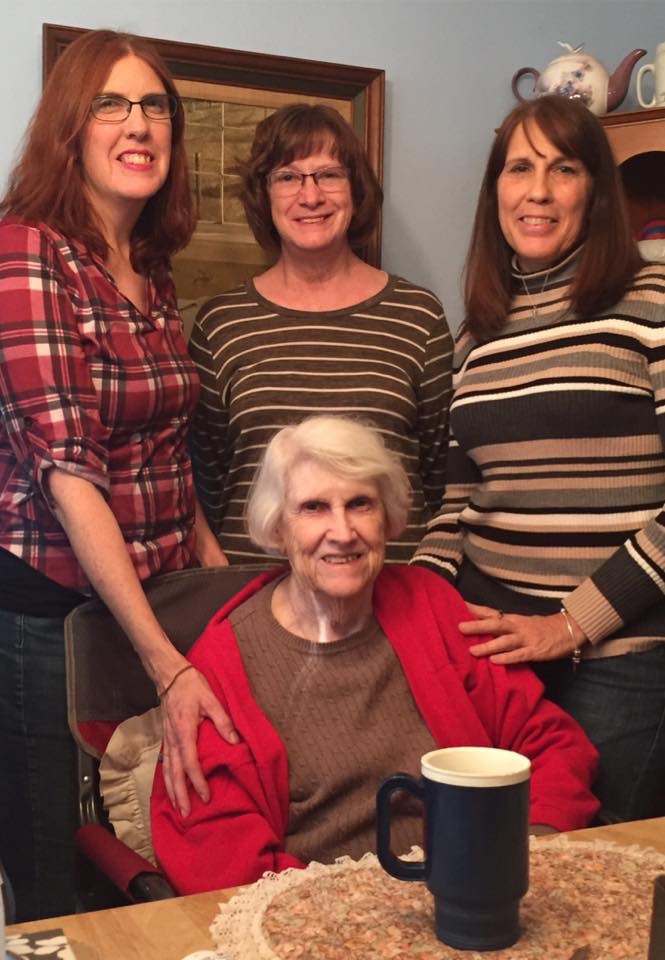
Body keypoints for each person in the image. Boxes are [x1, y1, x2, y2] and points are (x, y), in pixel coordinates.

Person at [151, 416, 598, 894]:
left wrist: (528, 848)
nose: (342, 532)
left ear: (387, 518)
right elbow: (211, 847)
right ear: (278, 528)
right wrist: (353, 912)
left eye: (360, 504)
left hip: (467, 888)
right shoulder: (222, 663)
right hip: (315, 911)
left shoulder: (431, 606)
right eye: (313, 508)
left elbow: (549, 744)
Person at [0, 30, 233, 921]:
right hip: (53, 618)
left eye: (154, 106)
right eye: (111, 104)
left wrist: (215, 594)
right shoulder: (26, 251)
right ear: (69, 127)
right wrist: (167, 664)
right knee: (58, 879)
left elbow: (166, 447)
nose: (138, 124)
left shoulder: (148, 268)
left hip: (149, 606)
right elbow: (71, 473)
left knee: (144, 854)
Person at [412, 94, 665, 824]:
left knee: (595, 872)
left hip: (617, 663)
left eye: (563, 169)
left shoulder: (651, 303)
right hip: (497, 663)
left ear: (596, 190)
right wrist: (417, 610)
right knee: (498, 859)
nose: (539, 191)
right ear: (495, 188)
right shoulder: (477, 336)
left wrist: (569, 624)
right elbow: (456, 505)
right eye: (519, 168)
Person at [189, 103, 451, 565]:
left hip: (389, 587)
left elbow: (438, 476)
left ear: (356, 190)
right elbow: (210, 481)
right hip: (255, 587)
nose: (310, 196)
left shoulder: (417, 316)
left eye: (329, 175)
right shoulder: (221, 323)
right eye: (288, 177)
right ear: (264, 195)